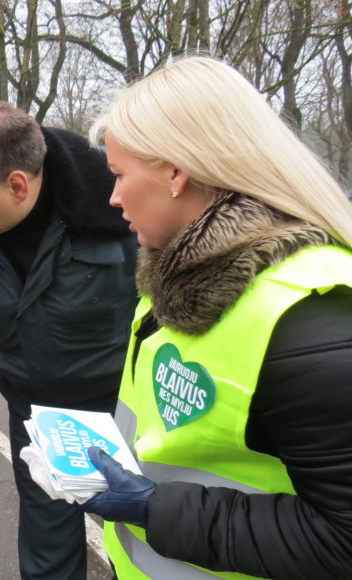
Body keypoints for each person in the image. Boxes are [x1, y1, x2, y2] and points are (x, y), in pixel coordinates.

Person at [80, 56, 352, 578]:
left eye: (118, 175)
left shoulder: (314, 322)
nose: (112, 198)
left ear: (177, 172)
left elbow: (343, 539)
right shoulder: (177, 271)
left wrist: (154, 510)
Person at [0, 101, 139, 579]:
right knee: (48, 548)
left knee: (148, 537)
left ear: (18, 184)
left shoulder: (121, 210)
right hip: (39, 417)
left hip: (128, 411)